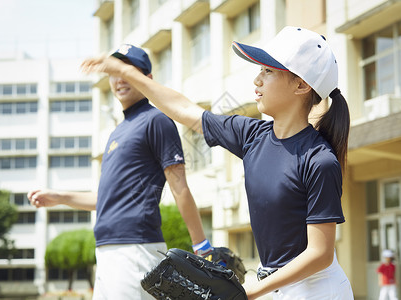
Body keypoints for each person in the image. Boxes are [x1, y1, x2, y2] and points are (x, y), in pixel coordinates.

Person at [81, 26, 354, 299]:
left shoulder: (320, 160)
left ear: (301, 85)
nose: (257, 79)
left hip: (317, 289)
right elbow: (186, 110)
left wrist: (245, 293)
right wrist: (127, 72)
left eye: (268, 71)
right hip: (272, 284)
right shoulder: (251, 135)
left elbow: (320, 254)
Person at [29, 44, 213, 300]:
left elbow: (179, 185)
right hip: (106, 249)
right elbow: (106, 198)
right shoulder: (117, 132)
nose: (119, 78)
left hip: (135, 248)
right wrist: (60, 197)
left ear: (147, 79)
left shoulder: (157, 120)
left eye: (127, 70)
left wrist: (202, 246)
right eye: (113, 72)